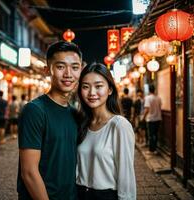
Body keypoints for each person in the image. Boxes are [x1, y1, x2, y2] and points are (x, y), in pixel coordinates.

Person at [17, 41, 82, 200]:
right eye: (60, 67)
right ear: (48, 70)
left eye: (75, 67)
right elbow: (29, 172)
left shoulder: (75, 114)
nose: (68, 74)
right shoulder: (35, 110)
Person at [76, 63, 136, 200]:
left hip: (105, 195)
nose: (91, 92)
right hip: (79, 194)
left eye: (98, 86)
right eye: (85, 87)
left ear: (110, 89)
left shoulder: (119, 125)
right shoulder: (82, 123)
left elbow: (126, 175)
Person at [142, 84, 162, 154]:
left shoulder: (148, 98)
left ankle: (151, 150)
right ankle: (155, 149)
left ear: (149, 90)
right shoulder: (158, 98)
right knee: (156, 134)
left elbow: (147, 109)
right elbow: (160, 108)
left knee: (151, 135)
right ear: (154, 90)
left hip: (151, 119)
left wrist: (143, 117)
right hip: (158, 118)